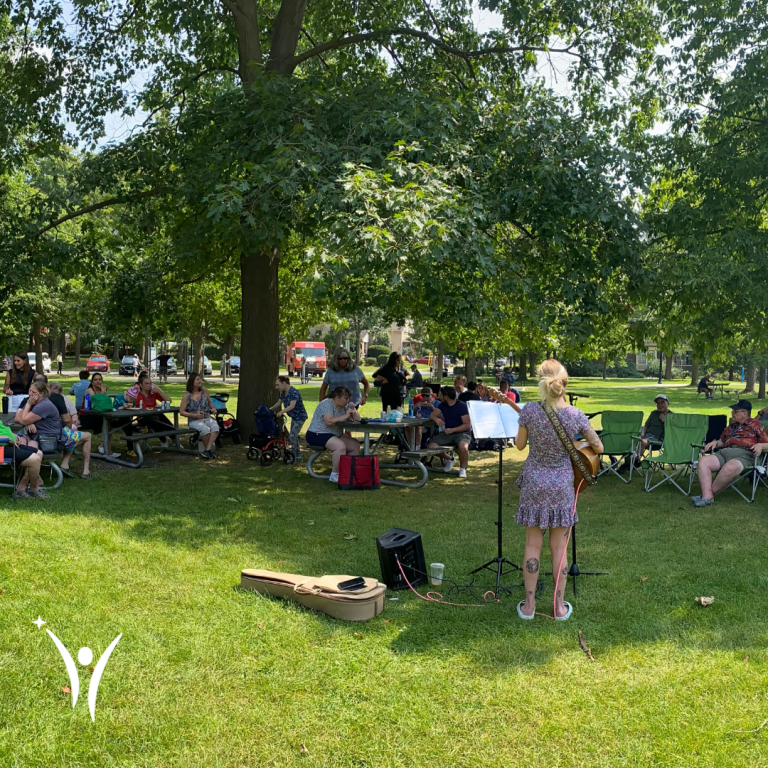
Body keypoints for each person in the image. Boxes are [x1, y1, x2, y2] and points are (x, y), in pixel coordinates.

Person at [513, 359, 603, 621]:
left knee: (532, 545)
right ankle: (558, 607)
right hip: (562, 483)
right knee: (559, 547)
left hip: (534, 482)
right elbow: (598, 447)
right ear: (564, 382)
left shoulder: (529, 410)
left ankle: (529, 607)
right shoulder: (575, 415)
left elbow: (519, 446)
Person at [692, 399, 768, 507]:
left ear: (745, 413)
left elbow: (767, 443)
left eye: (735, 411)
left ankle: (706, 496)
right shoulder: (732, 426)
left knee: (730, 467)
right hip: (725, 452)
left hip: (744, 455)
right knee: (703, 461)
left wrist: (760, 445)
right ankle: (707, 497)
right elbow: (722, 441)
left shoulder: (756, 424)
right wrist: (715, 442)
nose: (732, 413)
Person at [13, 381, 66, 498]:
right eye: (29, 391)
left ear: (41, 394)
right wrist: (28, 422)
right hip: (38, 438)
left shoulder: (43, 405)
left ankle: (24, 487)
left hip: (50, 441)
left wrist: (27, 408)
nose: (30, 394)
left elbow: (22, 420)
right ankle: (32, 485)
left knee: (31, 451)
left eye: (33, 392)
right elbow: (18, 418)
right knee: (17, 441)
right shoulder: (34, 402)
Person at [305, 386, 361, 483]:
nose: (347, 401)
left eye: (348, 398)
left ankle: (349, 472)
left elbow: (357, 419)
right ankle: (335, 475)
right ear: (337, 397)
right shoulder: (326, 403)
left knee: (354, 445)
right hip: (317, 433)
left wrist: (353, 410)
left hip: (334, 434)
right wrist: (346, 415)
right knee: (340, 446)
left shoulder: (344, 407)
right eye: (346, 398)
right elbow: (329, 421)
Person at [49, 381, 96, 480]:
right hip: (61, 433)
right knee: (87, 436)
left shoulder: (47, 400)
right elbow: (66, 420)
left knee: (74, 436)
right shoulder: (59, 399)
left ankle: (65, 465)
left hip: (56, 433)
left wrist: (74, 421)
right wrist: (70, 425)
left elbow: (74, 416)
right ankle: (86, 471)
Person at [428, 386, 472, 478]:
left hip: (462, 433)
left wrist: (452, 430)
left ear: (446, 397)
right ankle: (450, 459)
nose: (439, 396)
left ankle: (462, 469)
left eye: (441, 394)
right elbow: (432, 415)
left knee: (463, 447)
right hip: (447, 433)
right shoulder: (442, 405)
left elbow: (467, 425)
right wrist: (436, 419)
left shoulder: (462, 406)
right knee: (431, 447)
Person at [80, 373, 122, 458]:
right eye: (95, 380)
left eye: (99, 379)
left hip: (98, 415)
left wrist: (103, 393)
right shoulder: (90, 391)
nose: (98, 381)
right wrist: (103, 393)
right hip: (87, 416)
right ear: (92, 382)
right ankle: (105, 448)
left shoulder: (101, 390)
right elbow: (98, 405)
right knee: (107, 423)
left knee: (109, 422)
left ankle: (104, 447)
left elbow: (105, 405)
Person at [126, 371, 173, 445]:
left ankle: (175, 441)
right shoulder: (137, 394)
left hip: (155, 414)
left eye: (150, 383)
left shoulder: (153, 392)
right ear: (141, 385)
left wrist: (159, 391)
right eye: (146, 384)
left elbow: (169, 401)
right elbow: (143, 409)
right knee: (158, 424)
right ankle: (164, 442)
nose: (149, 385)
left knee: (168, 423)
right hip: (143, 417)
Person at [0, 422, 45, 500]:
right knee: (35, 459)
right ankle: (34, 489)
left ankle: (21, 489)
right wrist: (5, 438)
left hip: (9, 444)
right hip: (2, 448)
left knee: (39, 453)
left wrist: (11, 434)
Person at [179, 372, 219, 459]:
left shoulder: (204, 390)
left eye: (200, 379)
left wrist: (213, 408)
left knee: (215, 427)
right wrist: (194, 415)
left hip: (206, 417)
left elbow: (209, 402)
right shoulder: (187, 395)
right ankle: (209, 452)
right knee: (205, 429)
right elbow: (181, 412)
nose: (200, 381)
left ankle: (207, 450)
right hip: (194, 420)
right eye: (197, 379)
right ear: (192, 381)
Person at [270, 375, 308, 460]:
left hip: (300, 417)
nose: (276, 387)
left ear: (284, 383)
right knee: (293, 436)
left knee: (292, 436)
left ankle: (292, 456)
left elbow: (292, 406)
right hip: (294, 417)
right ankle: (298, 456)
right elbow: (278, 403)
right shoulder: (283, 393)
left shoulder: (293, 392)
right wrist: (269, 409)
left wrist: (281, 412)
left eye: (277, 384)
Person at [634, 395, 671, 465]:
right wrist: (642, 434)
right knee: (630, 439)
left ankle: (632, 463)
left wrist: (664, 421)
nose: (660, 405)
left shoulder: (672, 416)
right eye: (657, 403)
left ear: (668, 404)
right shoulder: (654, 413)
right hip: (646, 436)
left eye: (662, 402)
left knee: (643, 442)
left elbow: (672, 432)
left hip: (658, 440)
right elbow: (646, 426)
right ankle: (630, 461)